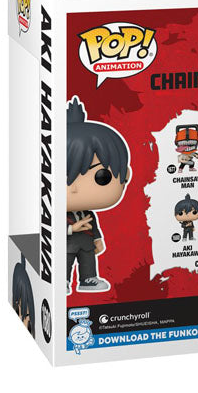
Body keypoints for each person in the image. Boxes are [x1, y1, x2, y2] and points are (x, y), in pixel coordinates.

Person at [67, 97, 131, 293]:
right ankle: (62, 280)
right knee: (66, 262)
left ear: (126, 175)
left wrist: (97, 239)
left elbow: (94, 227)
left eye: (101, 177)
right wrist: (71, 228)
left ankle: (88, 279)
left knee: (88, 261)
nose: (74, 189)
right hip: (67, 245)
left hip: (86, 244)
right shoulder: (57, 214)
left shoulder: (88, 213)